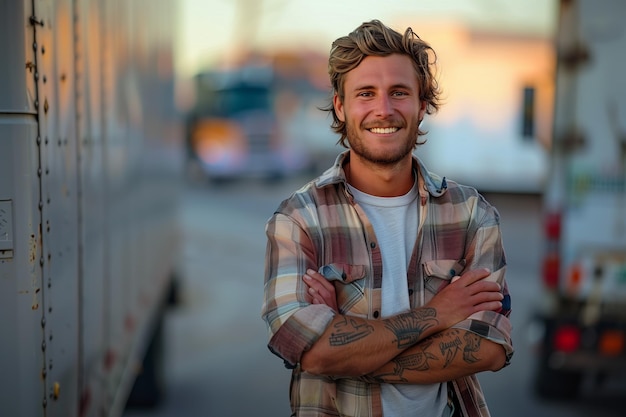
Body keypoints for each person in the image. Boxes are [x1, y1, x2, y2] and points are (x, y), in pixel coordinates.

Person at [261, 19, 513, 417]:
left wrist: (345, 349)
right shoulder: (299, 219)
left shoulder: (471, 215)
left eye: (399, 92)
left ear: (422, 104)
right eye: (366, 93)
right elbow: (305, 348)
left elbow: (488, 348)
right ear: (340, 106)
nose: (384, 109)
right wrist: (438, 315)